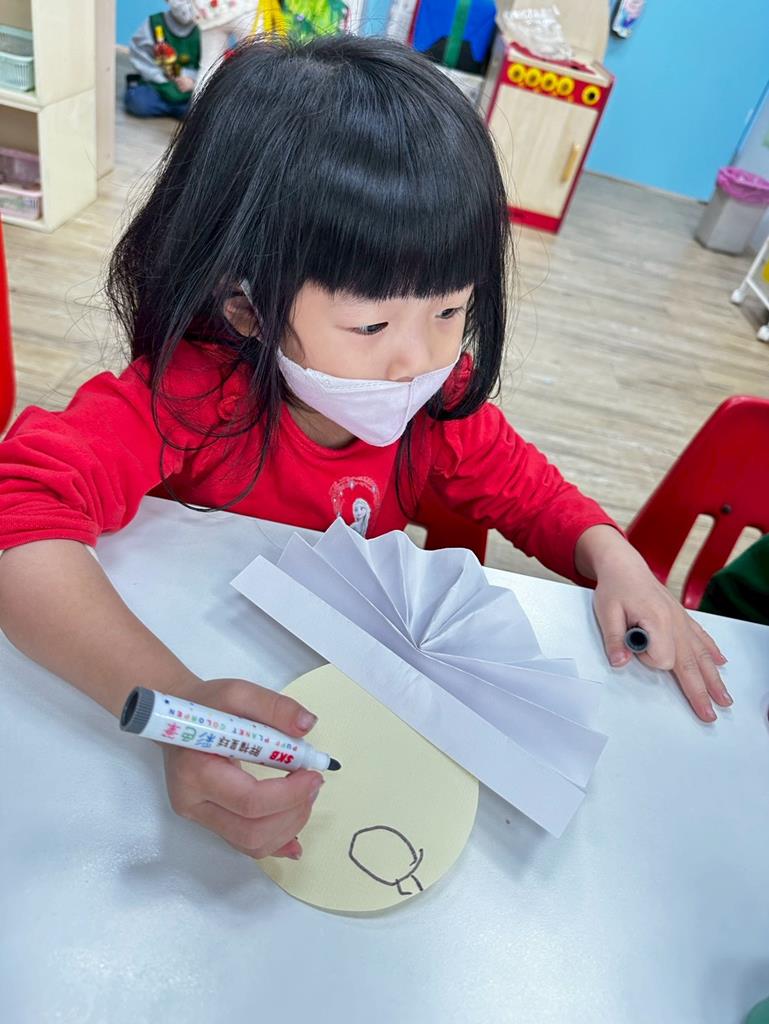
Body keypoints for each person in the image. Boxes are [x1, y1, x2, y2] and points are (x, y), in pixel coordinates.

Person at [0, 36, 731, 865]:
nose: (417, 358)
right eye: (372, 325)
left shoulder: (438, 405)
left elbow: (529, 492)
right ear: (247, 308)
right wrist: (177, 700)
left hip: (358, 704)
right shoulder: (195, 395)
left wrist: (614, 557)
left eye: (450, 312)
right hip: (207, 673)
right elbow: (19, 513)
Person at [125, 0, 201, 119]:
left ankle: (176, 109)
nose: (186, 4)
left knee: (201, 110)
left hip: (188, 89)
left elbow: (211, 64)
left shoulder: (205, 30)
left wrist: (193, 82)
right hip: (158, 85)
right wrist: (159, 76)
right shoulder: (154, 23)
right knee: (138, 102)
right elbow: (139, 54)